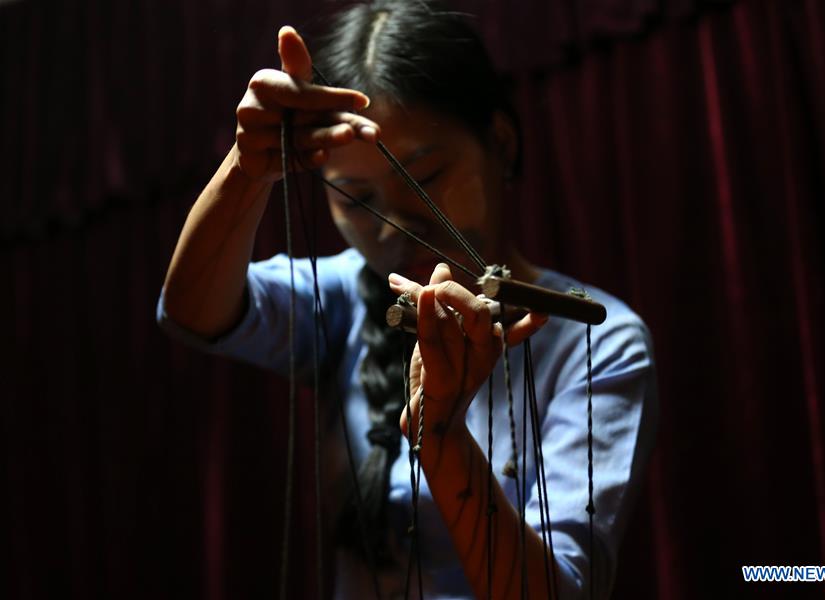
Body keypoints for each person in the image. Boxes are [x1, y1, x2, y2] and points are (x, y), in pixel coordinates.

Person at [157, 1, 658, 598]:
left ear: (499, 143)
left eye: (424, 175)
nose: (393, 226)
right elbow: (192, 311)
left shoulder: (596, 341)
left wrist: (441, 436)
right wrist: (247, 165)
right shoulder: (341, 294)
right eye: (355, 196)